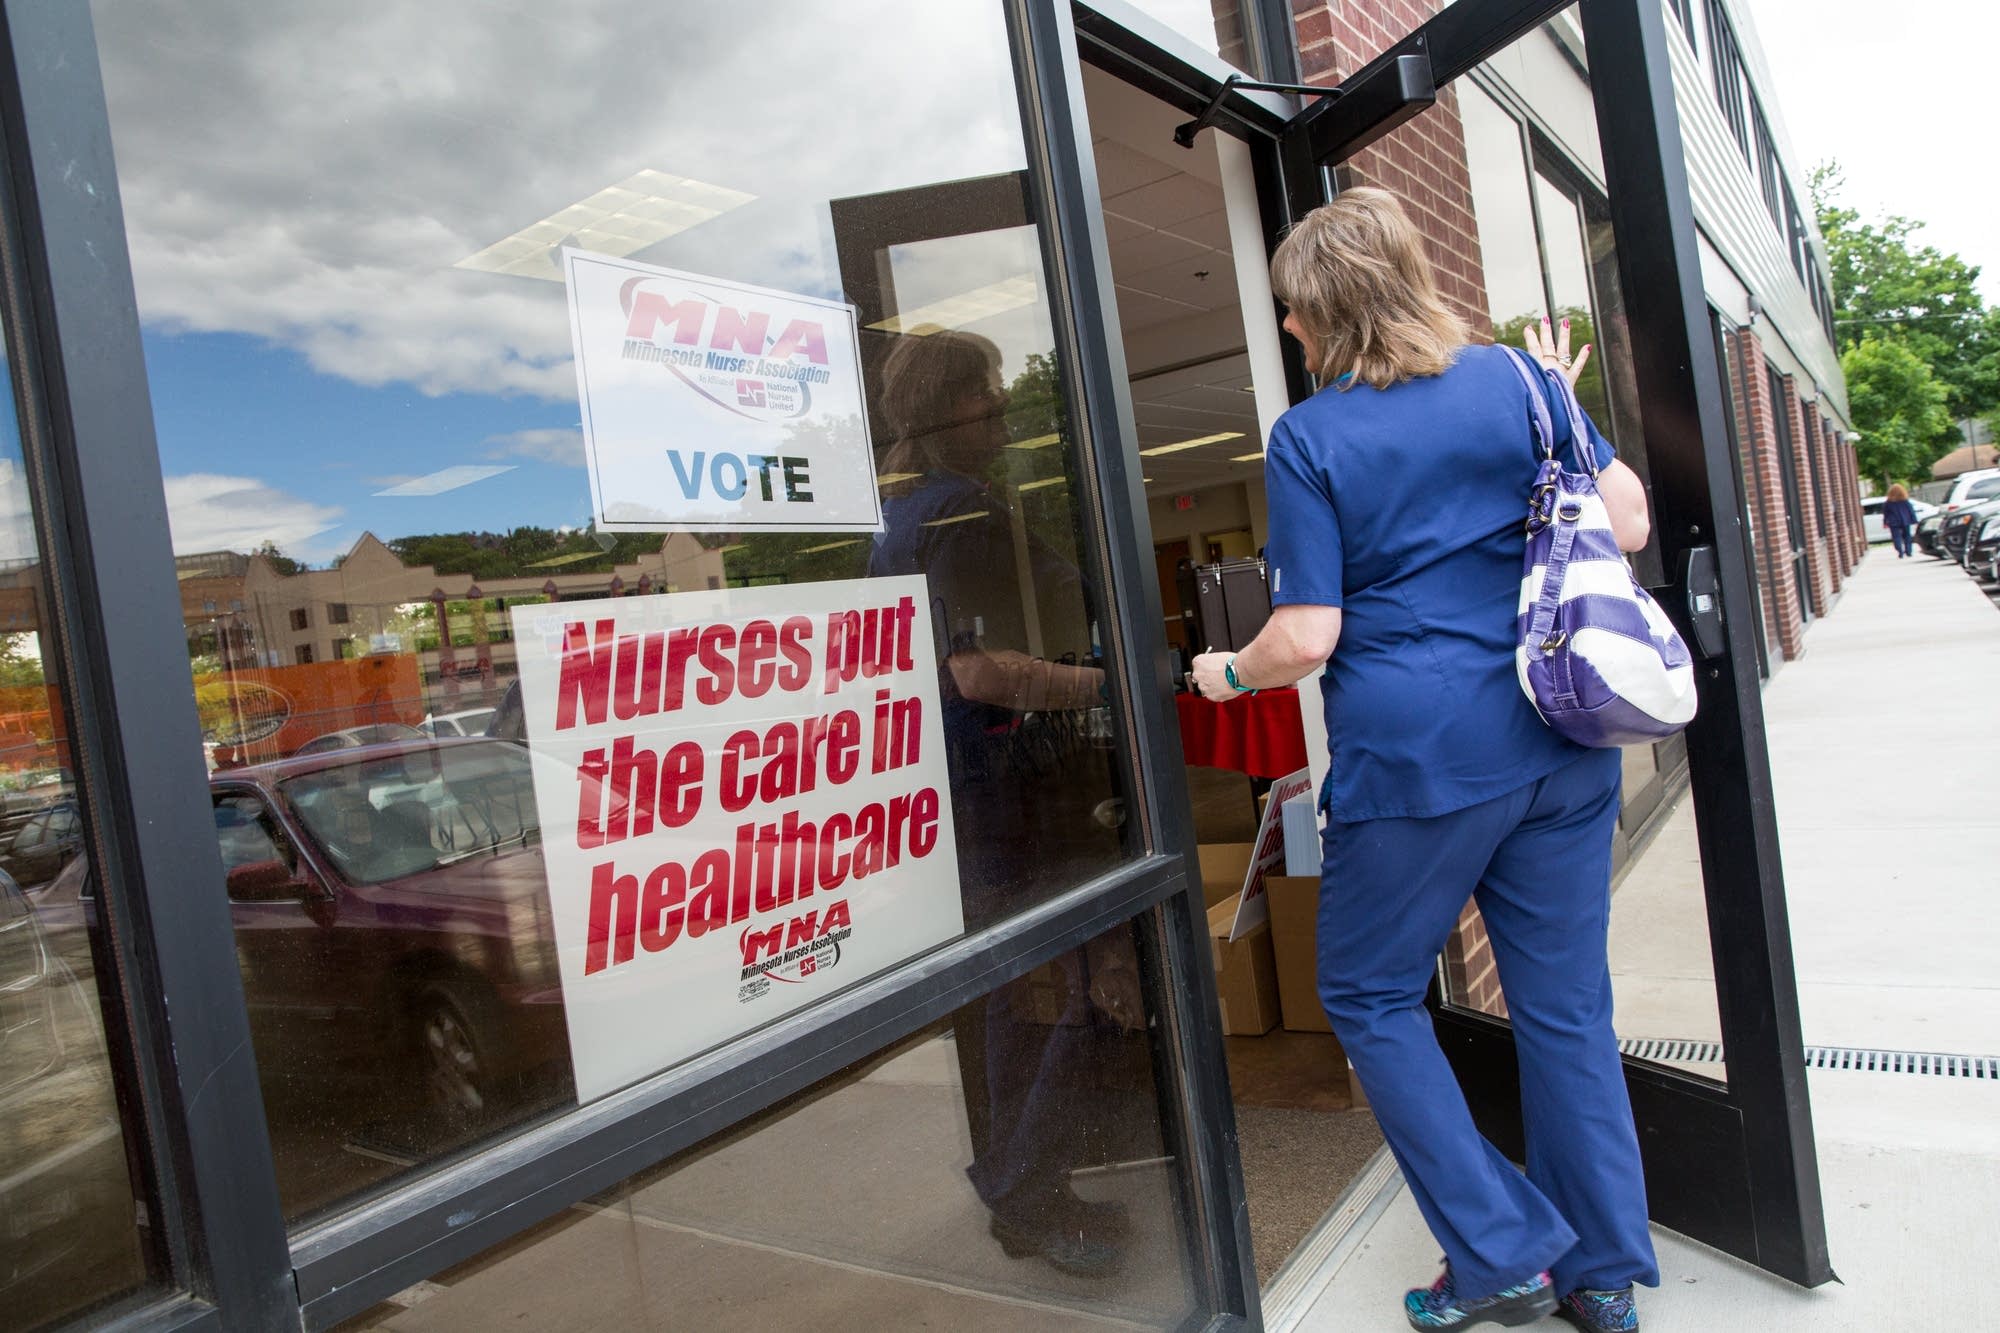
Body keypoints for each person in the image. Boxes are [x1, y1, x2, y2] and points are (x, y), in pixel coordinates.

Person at [1191, 188, 1658, 1333]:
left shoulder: (1311, 435)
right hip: (1559, 737)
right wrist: (1561, 402)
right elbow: (1630, 525)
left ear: (1326, 311)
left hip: (1420, 762)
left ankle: (1500, 1248)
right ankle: (1598, 1274)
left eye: (1292, 314)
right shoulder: (1519, 380)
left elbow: (1305, 634)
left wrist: (1224, 676)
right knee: (1564, 1011)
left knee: (1360, 987)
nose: (1288, 333)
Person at [869, 325, 1140, 1278]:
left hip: (970, 798)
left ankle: (1030, 1183)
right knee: (1064, 984)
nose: (1003, 402)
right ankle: (1026, 1193)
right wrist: (1115, 686)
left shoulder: (907, 511)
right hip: (1001, 796)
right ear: (949, 405)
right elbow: (978, 671)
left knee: (1017, 992)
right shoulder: (952, 516)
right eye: (987, 387)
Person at [1882, 483, 1918, 558]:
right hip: (1905, 520)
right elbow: (1911, 511)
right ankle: (1908, 551)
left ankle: (1900, 551)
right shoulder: (1905, 501)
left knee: (1896, 537)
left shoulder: (1888, 503)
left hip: (1893, 522)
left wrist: (1885, 522)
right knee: (1907, 536)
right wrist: (1914, 520)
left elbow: (1885, 513)